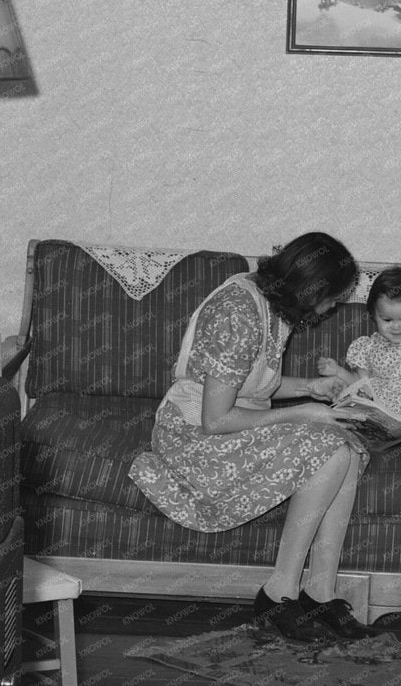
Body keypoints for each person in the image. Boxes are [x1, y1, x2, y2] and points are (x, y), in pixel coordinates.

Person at [128, 231, 371, 642]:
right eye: (333, 298)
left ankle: (319, 592)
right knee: (328, 450)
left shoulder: (271, 302)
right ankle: (278, 595)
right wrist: (305, 412)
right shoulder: (238, 313)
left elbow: (247, 385)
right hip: (193, 441)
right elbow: (215, 419)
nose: (332, 308)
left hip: (223, 423)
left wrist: (312, 388)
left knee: (347, 443)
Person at [319, 267, 401, 423]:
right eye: (387, 320)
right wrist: (338, 371)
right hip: (381, 416)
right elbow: (361, 384)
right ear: (373, 315)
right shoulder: (367, 347)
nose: (396, 326)